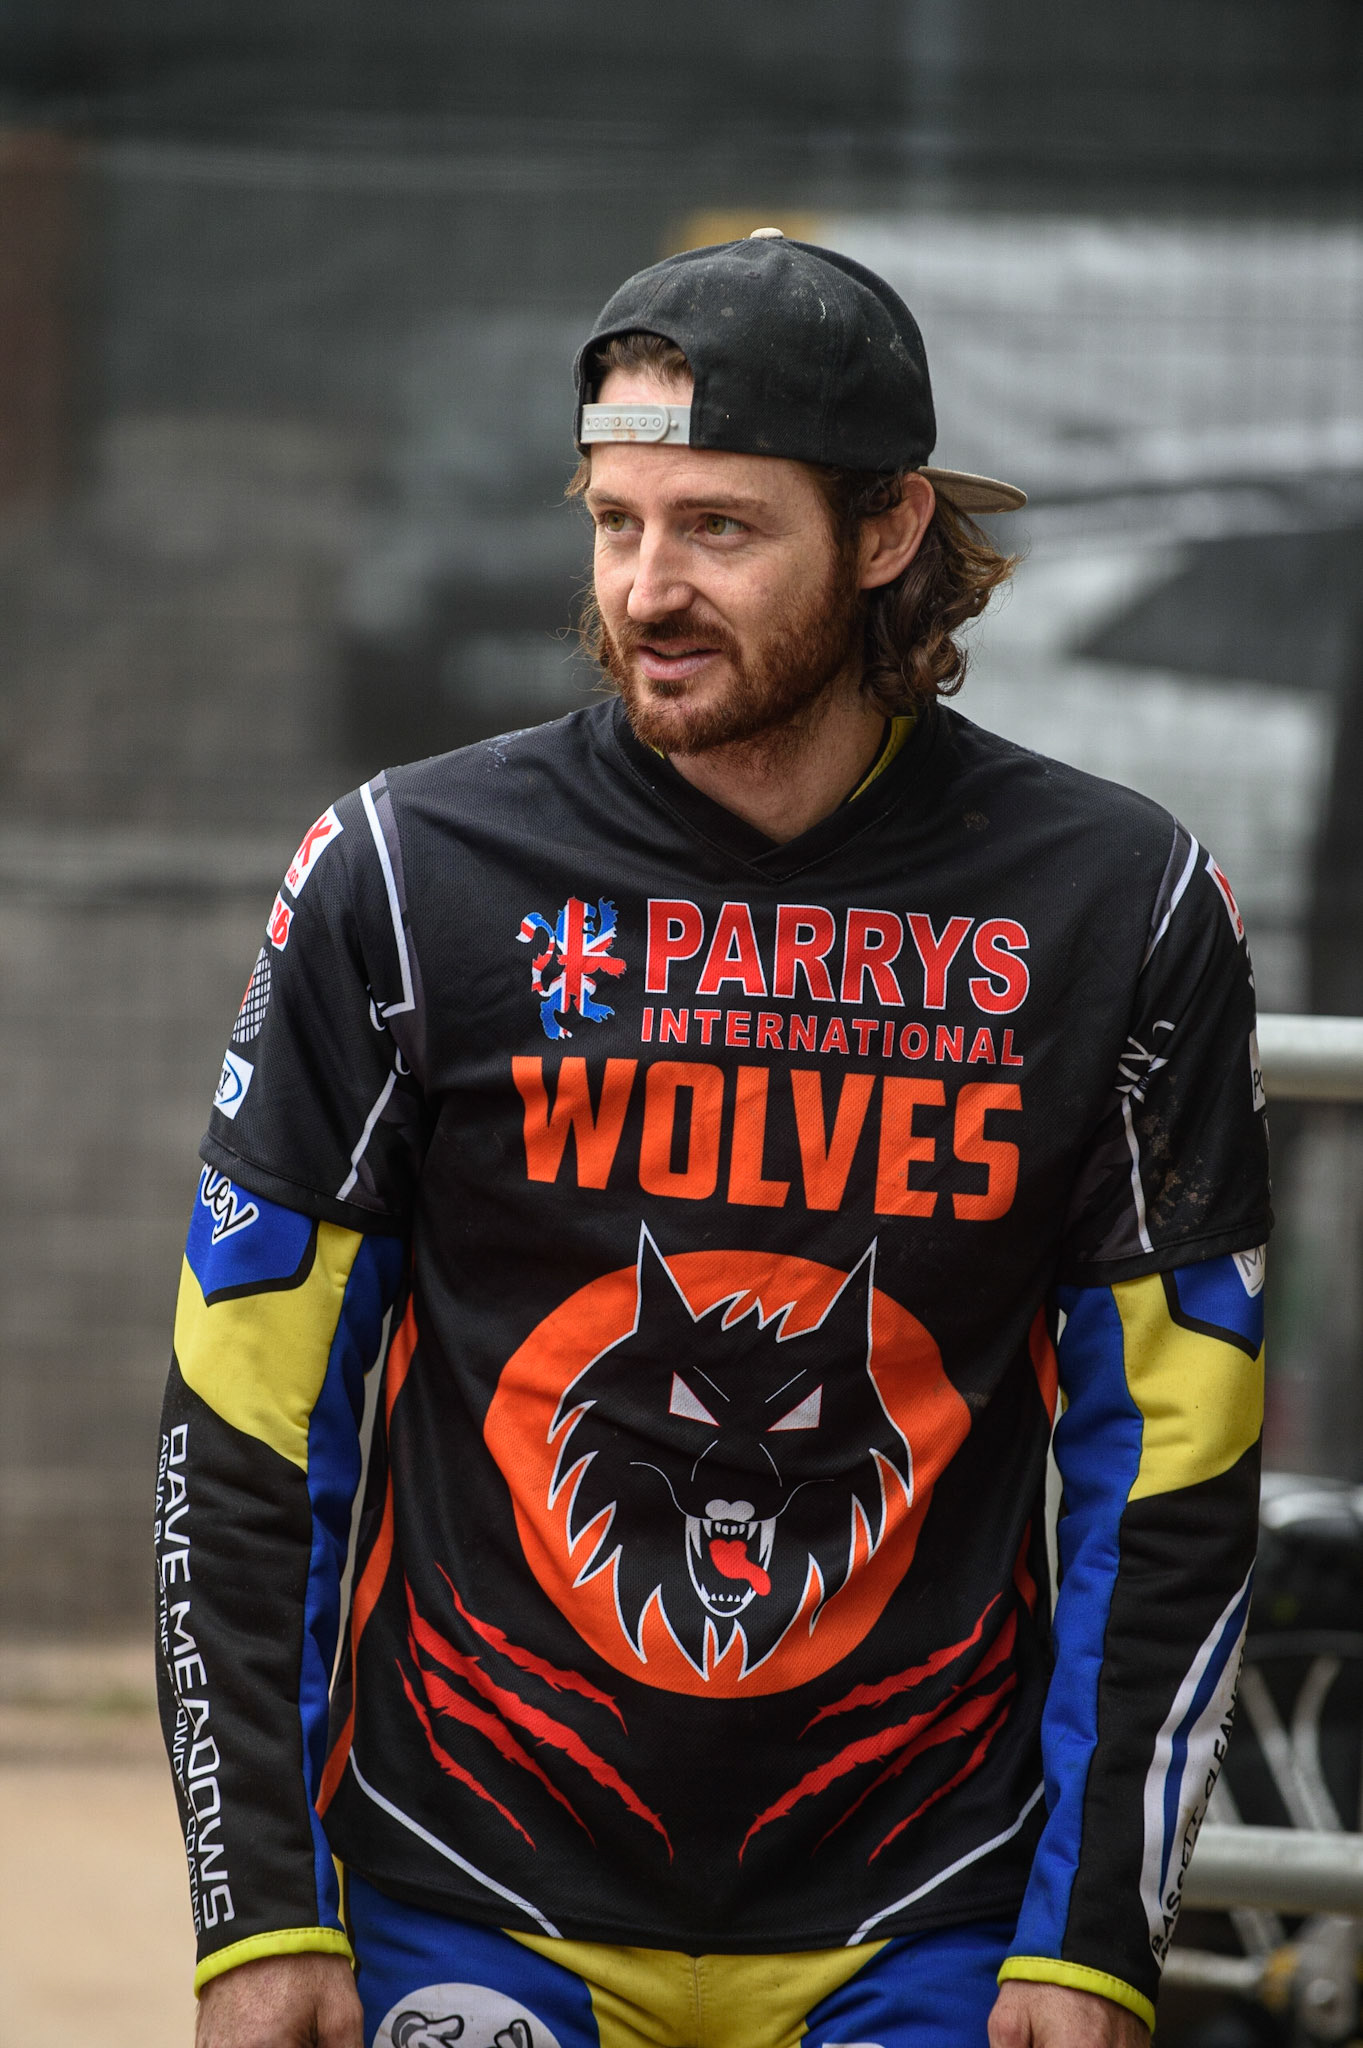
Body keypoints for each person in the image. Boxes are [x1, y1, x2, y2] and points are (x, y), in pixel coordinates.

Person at [155, 232, 1269, 2048]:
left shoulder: (1118, 906)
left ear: (888, 527)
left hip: (927, 1920)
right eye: (617, 524)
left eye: (720, 529)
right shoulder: (403, 876)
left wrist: (1091, 1943)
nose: (648, 589)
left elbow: (1174, 1463)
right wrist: (259, 1906)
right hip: (467, 1891)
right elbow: (247, 1418)